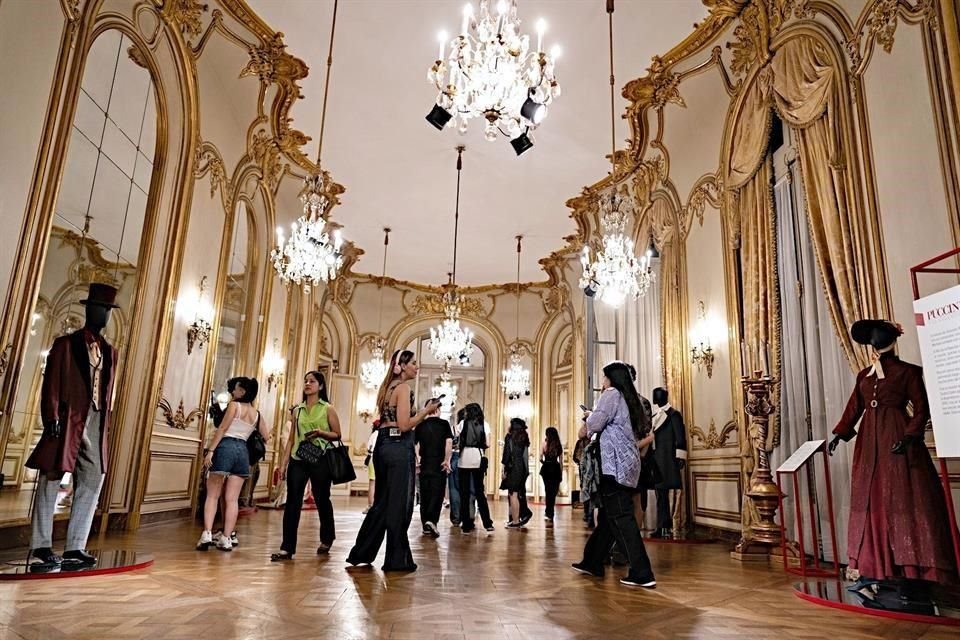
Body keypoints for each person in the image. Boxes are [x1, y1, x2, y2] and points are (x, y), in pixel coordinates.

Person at [830, 319, 958, 585]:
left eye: (879, 333)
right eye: (872, 334)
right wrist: (839, 435)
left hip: (896, 435)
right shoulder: (864, 375)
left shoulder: (908, 372)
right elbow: (855, 406)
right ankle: (878, 564)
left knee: (904, 494)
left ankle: (914, 567)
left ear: (889, 337)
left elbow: (921, 407)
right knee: (872, 495)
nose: (874, 338)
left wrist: (910, 435)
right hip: (868, 442)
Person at [27, 283, 119, 566]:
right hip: (67, 420)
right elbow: (51, 383)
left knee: (93, 480)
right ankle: (41, 545)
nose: (102, 314)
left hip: (95, 420)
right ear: (88, 309)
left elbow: (106, 389)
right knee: (51, 479)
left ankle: (75, 546)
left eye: (106, 310)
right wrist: (51, 417)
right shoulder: (66, 344)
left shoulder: (111, 351)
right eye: (98, 308)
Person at [347, 350, 441, 571]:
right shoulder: (403, 388)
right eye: (414, 363)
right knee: (400, 505)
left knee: (382, 503)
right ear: (402, 366)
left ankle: (362, 552)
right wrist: (426, 411)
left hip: (382, 446)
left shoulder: (385, 387)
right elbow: (405, 425)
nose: (417, 367)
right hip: (398, 449)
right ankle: (396, 560)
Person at [573, 361, 657, 589]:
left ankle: (642, 572)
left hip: (614, 466)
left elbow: (595, 424)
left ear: (611, 379)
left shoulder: (611, 394)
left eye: (604, 378)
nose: (602, 383)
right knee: (612, 517)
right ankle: (592, 561)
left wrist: (589, 419)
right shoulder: (633, 399)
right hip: (629, 464)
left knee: (621, 517)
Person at [271, 371, 341, 561]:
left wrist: (320, 433)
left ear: (320, 386)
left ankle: (327, 537)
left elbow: (337, 434)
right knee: (293, 502)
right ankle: (287, 548)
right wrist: (284, 463)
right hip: (298, 458)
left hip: (320, 458)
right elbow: (292, 438)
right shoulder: (298, 410)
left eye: (312, 381)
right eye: (306, 381)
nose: (308, 384)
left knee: (322, 499)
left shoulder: (327, 408)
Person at [197, 377, 268, 552]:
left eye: (235, 389)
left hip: (226, 447)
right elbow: (267, 436)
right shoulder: (257, 414)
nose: (232, 392)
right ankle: (227, 538)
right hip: (243, 452)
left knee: (213, 495)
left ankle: (207, 533)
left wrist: (211, 450)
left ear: (242, 391)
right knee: (232, 499)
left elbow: (222, 428)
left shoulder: (234, 406)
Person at [650, 387, 686, 538]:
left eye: (658, 395)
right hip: (657, 460)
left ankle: (668, 526)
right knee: (660, 494)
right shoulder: (654, 416)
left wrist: (680, 457)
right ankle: (661, 525)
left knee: (666, 493)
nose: (656, 397)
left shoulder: (674, 415)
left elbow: (680, 437)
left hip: (668, 459)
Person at [415, 400, 453, 537]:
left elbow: (415, 444)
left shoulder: (420, 425)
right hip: (439, 463)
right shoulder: (444, 424)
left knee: (425, 493)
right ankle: (432, 521)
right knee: (437, 494)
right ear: (437, 410)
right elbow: (448, 442)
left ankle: (425, 523)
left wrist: (417, 460)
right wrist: (446, 460)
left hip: (424, 462)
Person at [457, 403, 495, 533]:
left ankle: (466, 524)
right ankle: (487, 523)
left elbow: (457, 437)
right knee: (480, 492)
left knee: (464, 493)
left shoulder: (463, 423)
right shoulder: (485, 424)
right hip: (478, 458)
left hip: (464, 459)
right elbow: (488, 444)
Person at [502, 418, 530, 528]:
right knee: (516, 494)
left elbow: (506, 455)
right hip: (521, 466)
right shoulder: (524, 437)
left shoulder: (509, 437)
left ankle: (515, 521)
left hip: (513, 466)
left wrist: (504, 470)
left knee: (512, 494)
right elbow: (525, 455)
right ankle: (515, 519)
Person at [540, 427, 563, 526]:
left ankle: (548, 512)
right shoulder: (558, 445)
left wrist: (544, 462)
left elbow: (540, 457)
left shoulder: (544, 444)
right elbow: (561, 462)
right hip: (556, 469)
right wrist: (560, 473)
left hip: (546, 468)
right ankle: (551, 513)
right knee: (553, 493)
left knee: (547, 491)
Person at [363, 421, 380, 514]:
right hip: (376, 458)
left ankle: (370, 505)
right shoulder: (379, 434)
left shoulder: (373, 434)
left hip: (370, 459)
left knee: (372, 482)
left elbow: (368, 447)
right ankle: (372, 505)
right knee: (375, 483)